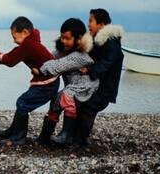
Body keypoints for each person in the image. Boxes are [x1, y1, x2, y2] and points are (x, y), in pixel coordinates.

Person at [0, 16, 60, 145]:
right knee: (22, 103)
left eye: (15, 37)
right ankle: (13, 132)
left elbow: (10, 61)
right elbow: (15, 53)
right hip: (49, 81)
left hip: (47, 83)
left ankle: (19, 137)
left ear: (25, 32)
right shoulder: (31, 43)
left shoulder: (28, 44)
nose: (14, 40)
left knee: (22, 103)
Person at [32, 18, 99, 146]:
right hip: (73, 86)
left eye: (67, 38)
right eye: (62, 37)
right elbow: (50, 58)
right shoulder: (64, 51)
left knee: (66, 96)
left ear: (79, 39)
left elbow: (58, 65)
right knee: (56, 101)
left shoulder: (81, 56)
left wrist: (41, 70)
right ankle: (45, 136)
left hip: (86, 87)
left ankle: (66, 135)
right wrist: (35, 59)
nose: (64, 41)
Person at [75, 9, 124, 146]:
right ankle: (76, 137)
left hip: (105, 88)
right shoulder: (100, 41)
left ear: (101, 24)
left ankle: (80, 141)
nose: (88, 24)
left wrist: (89, 70)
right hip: (98, 85)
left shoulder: (110, 42)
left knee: (89, 108)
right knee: (83, 106)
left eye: (91, 21)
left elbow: (107, 62)